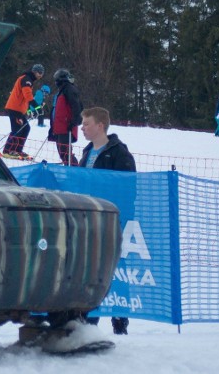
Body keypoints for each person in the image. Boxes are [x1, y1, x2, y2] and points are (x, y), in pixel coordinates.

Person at [79, 107, 136, 334]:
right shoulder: (86, 151)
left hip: (110, 222)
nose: (82, 128)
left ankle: (120, 321)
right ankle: (89, 317)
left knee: (115, 269)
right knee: (90, 269)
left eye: (86, 124)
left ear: (100, 126)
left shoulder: (120, 153)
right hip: (88, 220)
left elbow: (128, 189)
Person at [1, 63, 45, 160]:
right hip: (14, 108)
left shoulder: (29, 79)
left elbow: (26, 98)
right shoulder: (26, 79)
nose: (40, 75)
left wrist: (29, 109)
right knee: (17, 129)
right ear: (34, 71)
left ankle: (17, 150)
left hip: (19, 110)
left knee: (25, 128)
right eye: (39, 73)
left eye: (42, 73)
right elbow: (27, 95)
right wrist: (37, 107)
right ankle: (8, 151)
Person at [48, 69, 82, 165]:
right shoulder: (61, 91)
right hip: (58, 126)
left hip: (66, 126)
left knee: (65, 151)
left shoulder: (69, 89)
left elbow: (77, 106)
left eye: (57, 80)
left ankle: (74, 170)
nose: (56, 82)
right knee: (61, 151)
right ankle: (69, 168)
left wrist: (74, 121)